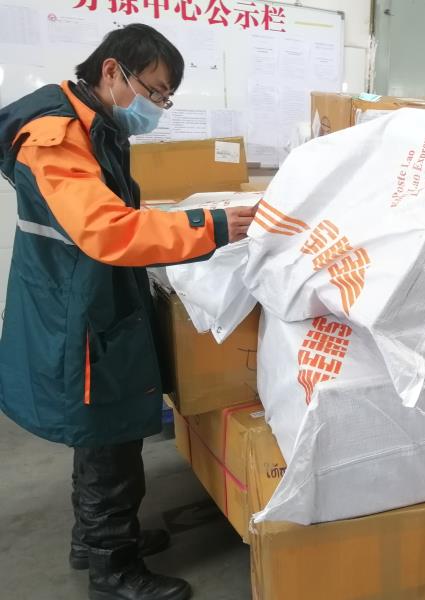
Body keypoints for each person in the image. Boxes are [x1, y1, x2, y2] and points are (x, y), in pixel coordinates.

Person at [0, 24, 256, 600]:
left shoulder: (95, 125)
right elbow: (106, 229)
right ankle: (113, 571)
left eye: (167, 98)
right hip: (77, 310)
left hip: (88, 296)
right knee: (108, 438)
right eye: (154, 91)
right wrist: (212, 226)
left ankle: (94, 540)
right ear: (112, 71)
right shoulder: (54, 136)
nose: (158, 107)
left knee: (101, 437)